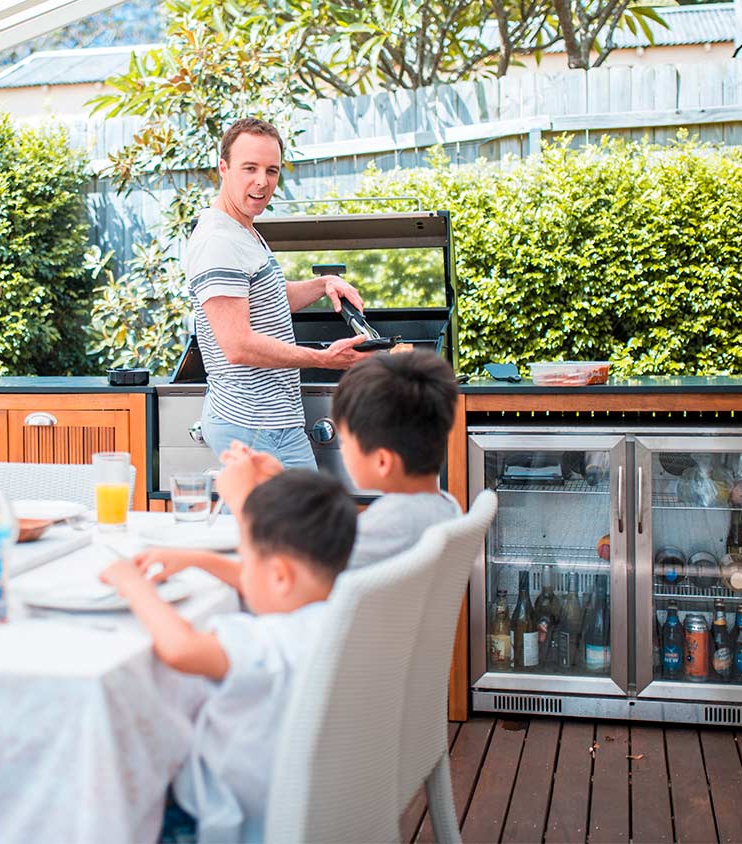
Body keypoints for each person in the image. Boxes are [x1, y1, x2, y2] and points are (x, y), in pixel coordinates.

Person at [99, 470, 356, 843]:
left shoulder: (267, 642)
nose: (243, 573)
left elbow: (180, 649)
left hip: (226, 816)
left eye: (246, 560)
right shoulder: (345, 617)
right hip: (309, 802)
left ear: (280, 576)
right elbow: (273, 583)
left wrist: (134, 587)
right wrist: (199, 559)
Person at [136, 350, 460, 586]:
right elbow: (312, 550)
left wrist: (243, 502)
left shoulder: (384, 527)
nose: (343, 451)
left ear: (382, 461)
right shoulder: (442, 509)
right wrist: (278, 481)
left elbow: (272, 588)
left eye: (345, 443)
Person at [186, 117, 374, 469]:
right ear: (223, 168)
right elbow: (237, 346)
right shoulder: (218, 241)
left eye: (271, 170)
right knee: (284, 524)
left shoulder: (243, 231)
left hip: (276, 422)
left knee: (297, 523)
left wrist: (323, 284)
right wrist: (322, 359)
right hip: (249, 424)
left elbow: (268, 299)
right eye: (250, 168)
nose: (262, 182)